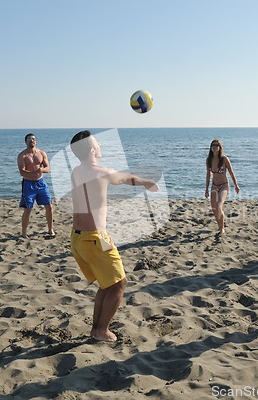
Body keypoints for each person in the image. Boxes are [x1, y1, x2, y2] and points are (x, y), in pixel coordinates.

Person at [69, 130, 159, 342]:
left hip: (77, 237)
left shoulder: (76, 171)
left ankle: (96, 329)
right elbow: (127, 178)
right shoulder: (101, 172)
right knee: (120, 284)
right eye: (98, 144)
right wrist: (147, 181)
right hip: (95, 238)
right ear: (92, 151)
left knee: (107, 284)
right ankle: (102, 331)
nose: (100, 146)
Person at [17, 133, 55, 238]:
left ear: (36, 141)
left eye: (33, 139)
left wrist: (41, 170)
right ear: (26, 142)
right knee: (28, 209)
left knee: (49, 206)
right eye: (29, 139)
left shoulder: (41, 153)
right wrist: (33, 173)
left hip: (41, 182)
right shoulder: (22, 155)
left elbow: (48, 168)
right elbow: (22, 172)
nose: (31, 141)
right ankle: (24, 233)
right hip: (28, 184)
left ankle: (50, 230)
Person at [205, 139, 240, 234]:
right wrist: (206, 189)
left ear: (220, 147)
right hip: (214, 186)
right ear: (211, 147)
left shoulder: (224, 159)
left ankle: (222, 228)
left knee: (218, 205)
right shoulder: (209, 160)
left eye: (217, 145)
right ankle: (220, 226)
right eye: (213, 145)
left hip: (224, 185)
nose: (215, 147)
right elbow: (208, 175)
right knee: (214, 208)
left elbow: (231, 172)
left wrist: (236, 185)